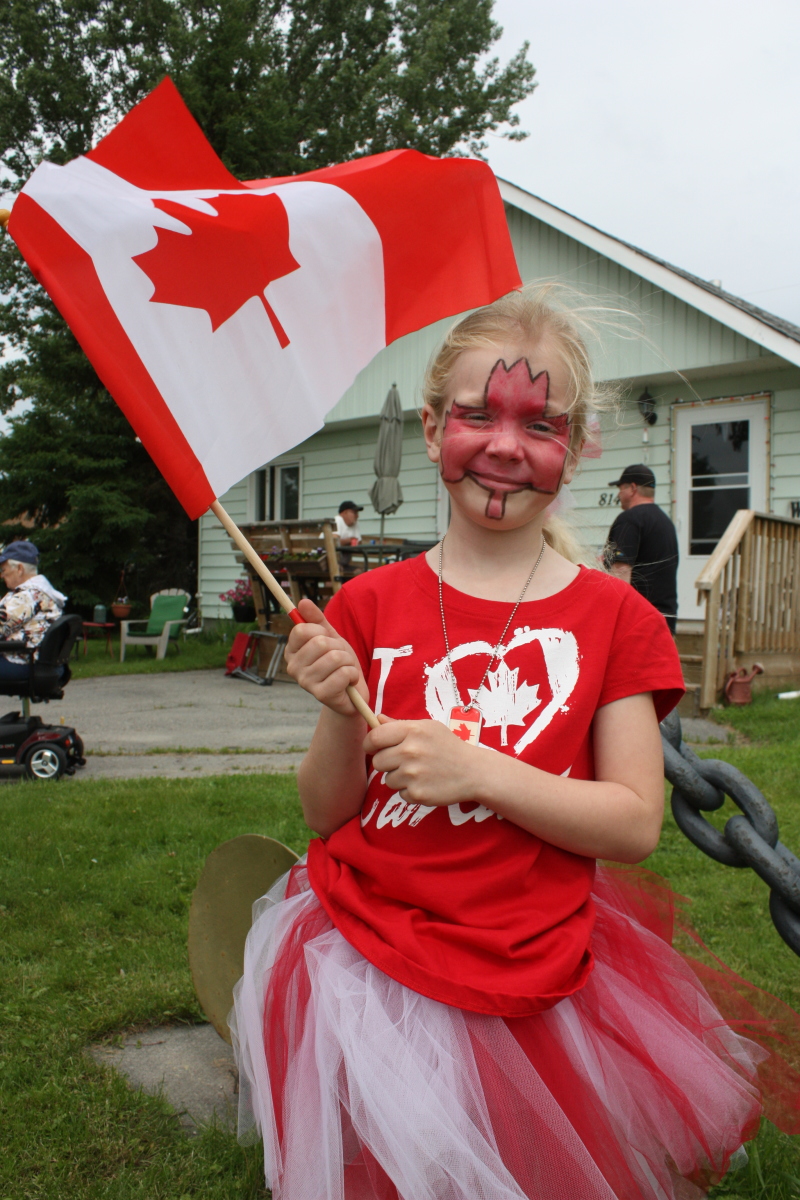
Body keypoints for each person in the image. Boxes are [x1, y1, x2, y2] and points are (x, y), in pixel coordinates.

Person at [232, 289, 800, 1200]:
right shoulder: (370, 606)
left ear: (575, 451)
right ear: (431, 430)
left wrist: (479, 770)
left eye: (539, 424)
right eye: (475, 414)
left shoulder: (615, 618)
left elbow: (632, 822)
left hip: (532, 964)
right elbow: (327, 812)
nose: (503, 444)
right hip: (371, 958)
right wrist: (343, 708)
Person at [605, 464, 679, 632]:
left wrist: (612, 622)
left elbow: (621, 572)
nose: (618, 494)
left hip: (639, 623)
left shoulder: (629, 519)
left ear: (632, 488)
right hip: (665, 620)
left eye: (621, 488)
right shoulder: (665, 522)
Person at [0, 541, 66, 681]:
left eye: (4, 570)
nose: (1, 575)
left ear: (19, 569)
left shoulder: (27, 596)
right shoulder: (41, 591)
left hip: (23, 663)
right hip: (40, 663)